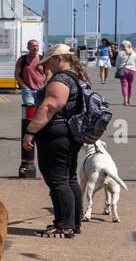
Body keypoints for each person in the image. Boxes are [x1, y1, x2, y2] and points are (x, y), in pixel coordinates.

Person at [23, 44, 88, 238]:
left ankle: (64, 226)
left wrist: (30, 131)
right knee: (69, 178)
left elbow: (49, 106)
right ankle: (72, 223)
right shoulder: (77, 77)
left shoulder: (61, 79)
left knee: (57, 179)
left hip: (56, 134)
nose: (45, 65)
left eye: (49, 60)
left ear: (59, 58)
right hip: (70, 134)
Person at [14, 39, 46, 106]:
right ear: (28, 47)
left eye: (37, 46)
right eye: (32, 46)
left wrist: (44, 85)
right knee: (29, 110)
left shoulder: (42, 59)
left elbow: (48, 73)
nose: (35, 48)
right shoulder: (22, 59)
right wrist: (23, 86)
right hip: (28, 90)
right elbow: (16, 75)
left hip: (40, 90)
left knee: (39, 112)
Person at [114, 39, 136, 106]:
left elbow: (117, 63)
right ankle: (129, 100)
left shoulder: (120, 53)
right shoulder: (133, 53)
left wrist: (118, 69)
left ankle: (125, 101)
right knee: (130, 85)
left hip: (123, 70)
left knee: (124, 85)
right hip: (132, 71)